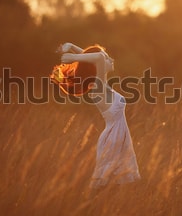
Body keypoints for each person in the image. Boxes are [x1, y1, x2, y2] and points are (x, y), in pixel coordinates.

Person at [51, 42, 141, 188]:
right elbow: (98, 57)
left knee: (116, 187)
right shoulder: (98, 87)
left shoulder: (103, 84)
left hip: (118, 138)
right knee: (107, 187)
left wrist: (71, 46)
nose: (111, 60)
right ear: (96, 66)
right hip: (112, 139)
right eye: (107, 59)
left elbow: (97, 58)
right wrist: (74, 57)